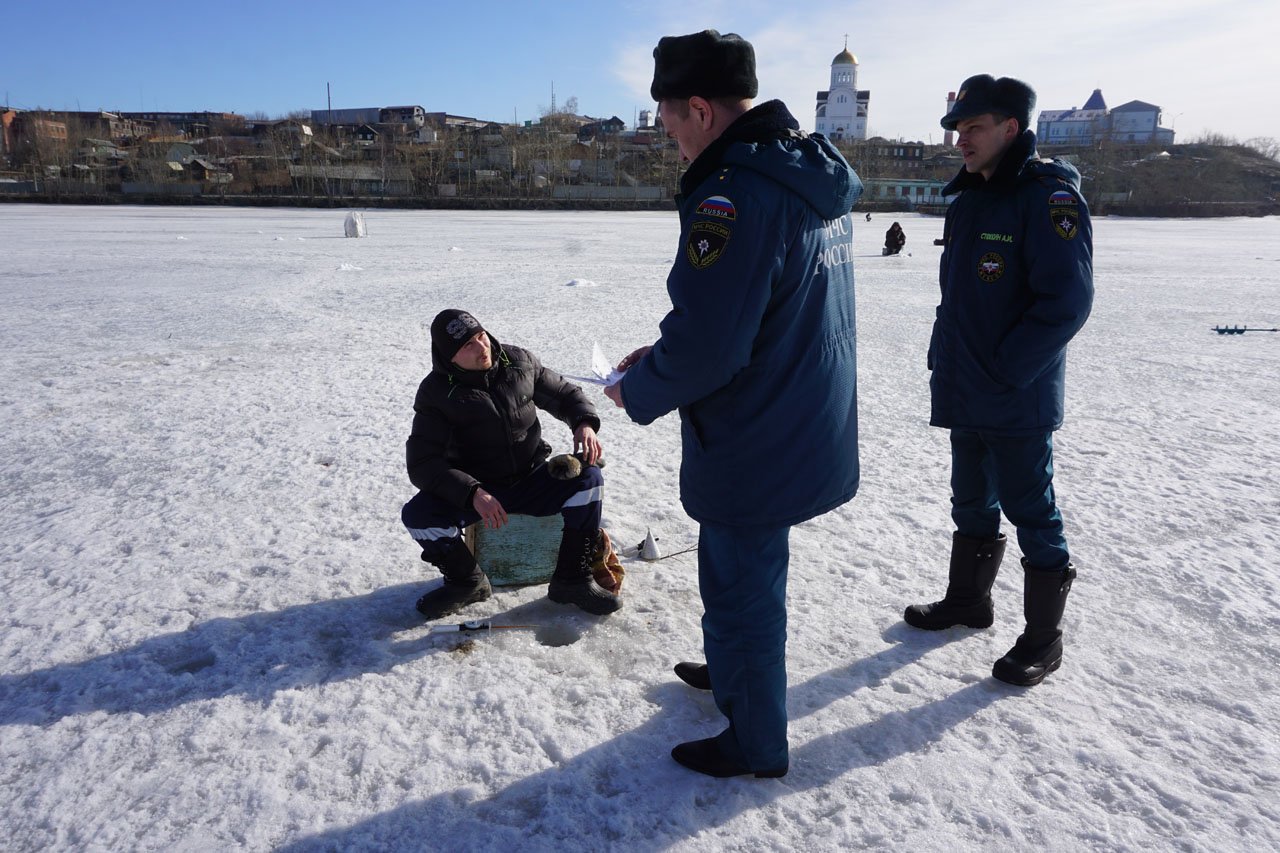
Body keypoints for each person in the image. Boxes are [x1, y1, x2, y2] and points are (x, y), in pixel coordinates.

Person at [603, 30, 862, 778]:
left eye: (669, 122)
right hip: (800, 412)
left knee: (743, 584)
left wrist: (639, 388)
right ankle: (731, 674)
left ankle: (754, 741)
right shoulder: (801, 171)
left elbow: (715, 344)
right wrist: (663, 355)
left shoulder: (735, 192)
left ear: (699, 109)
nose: (667, 138)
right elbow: (760, 309)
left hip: (757, 429)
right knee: (740, 570)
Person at [904, 75, 1093, 687]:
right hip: (966, 387)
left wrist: (1008, 372)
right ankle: (968, 601)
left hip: (1015, 394)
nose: (962, 139)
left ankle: (1044, 639)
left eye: (975, 127)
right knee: (971, 501)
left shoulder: (1046, 197)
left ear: (1012, 128)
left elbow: (1066, 302)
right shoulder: (971, 199)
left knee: (1033, 512)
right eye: (958, 128)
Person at [402, 308, 622, 618]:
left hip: (531, 478)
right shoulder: (436, 394)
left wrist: (583, 423)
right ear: (449, 356)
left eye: (481, 337)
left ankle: (572, 579)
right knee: (418, 515)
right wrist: (472, 492)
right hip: (480, 493)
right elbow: (423, 463)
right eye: (468, 346)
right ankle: (466, 582)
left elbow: (564, 393)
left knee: (589, 479)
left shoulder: (518, 362)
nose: (483, 349)